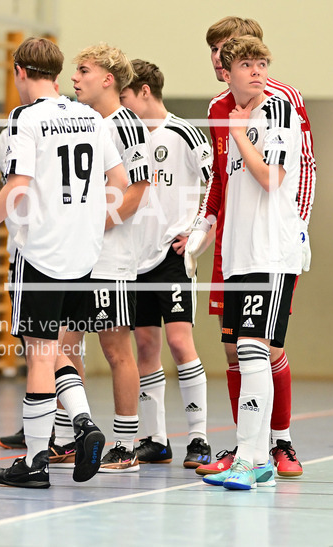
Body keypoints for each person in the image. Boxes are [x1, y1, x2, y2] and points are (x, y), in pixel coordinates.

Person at [0, 37, 126, 489]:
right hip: (83, 253)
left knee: (38, 353)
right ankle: (82, 423)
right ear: (57, 74)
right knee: (59, 350)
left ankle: (36, 462)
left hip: (40, 251)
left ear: (20, 72)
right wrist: (85, 219)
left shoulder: (26, 118)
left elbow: (18, 185)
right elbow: (118, 181)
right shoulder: (91, 117)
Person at [186, 17, 315, 479]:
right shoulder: (221, 109)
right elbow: (222, 180)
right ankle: (253, 455)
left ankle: (262, 452)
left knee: (258, 347)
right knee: (240, 349)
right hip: (237, 252)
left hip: (272, 249)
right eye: (244, 62)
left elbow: (279, 176)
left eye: (257, 61)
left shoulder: (279, 107)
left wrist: (297, 228)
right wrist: (203, 231)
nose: (252, 70)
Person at [55, 44, 149, 474]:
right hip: (79, 257)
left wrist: (99, 225)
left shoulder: (125, 125)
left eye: (83, 70)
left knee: (115, 348)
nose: (75, 78)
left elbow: (137, 190)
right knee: (65, 343)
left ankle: (126, 444)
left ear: (108, 78)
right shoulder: (87, 122)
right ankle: (67, 437)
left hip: (110, 257)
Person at [118, 60, 213, 468]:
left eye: (124, 95)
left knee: (179, 342)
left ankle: (198, 438)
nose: (120, 104)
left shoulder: (184, 133)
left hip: (172, 257)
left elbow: (216, 186)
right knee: (145, 346)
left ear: (143, 91)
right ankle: (155, 439)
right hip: (134, 258)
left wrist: (195, 236)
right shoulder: (125, 138)